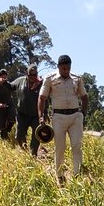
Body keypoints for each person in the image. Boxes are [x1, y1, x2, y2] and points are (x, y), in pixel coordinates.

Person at [38, 54, 87, 182]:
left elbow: (84, 97)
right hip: (58, 117)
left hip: (75, 117)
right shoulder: (49, 78)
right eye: (63, 68)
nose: (65, 71)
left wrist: (83, 113)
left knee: (77, 146)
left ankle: (77, 175)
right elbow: (42, 98)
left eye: (68, 68)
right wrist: (41, 117)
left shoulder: (77, 78)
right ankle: (59, 175)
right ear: (58, 67)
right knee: (60, 148)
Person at [12, 65, 43, 155]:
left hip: (35, 115)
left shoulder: (41, 83)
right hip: (22, 114)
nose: (33, 77)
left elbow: (45, 99)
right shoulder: (20, 81)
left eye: (35, 75)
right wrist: (1, 82)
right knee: (19, 135)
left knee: (36, 135)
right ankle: (24, 151)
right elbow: (10, 86)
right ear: (27, 74)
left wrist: (44, 114)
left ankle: (33, 154)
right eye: (31, 75)